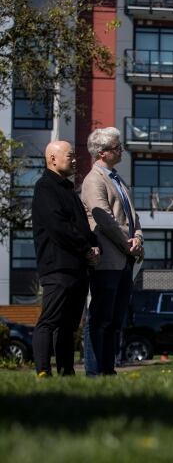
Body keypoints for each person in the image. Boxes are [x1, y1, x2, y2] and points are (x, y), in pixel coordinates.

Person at [31, 141, 100, 377]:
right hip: (58, 268)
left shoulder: (69, 190)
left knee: (68, 326)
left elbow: (82, 226)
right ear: (52, 159)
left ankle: (66, 372)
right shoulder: (45, 188)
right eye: (69, 155)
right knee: (49, 321)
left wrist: (94, 245)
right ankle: (42, 372)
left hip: (77, 269)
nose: (74, 160)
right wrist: (86, 249)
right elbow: (58, 227)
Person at [81, 127, 144, 376]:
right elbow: (104, 219)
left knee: (116, 320)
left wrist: (137, 237)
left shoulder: (118, 180)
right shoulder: (93, 180)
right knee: (100, 318)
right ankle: (95, 372)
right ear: (103, 152)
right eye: (118, 147)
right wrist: (127, 243)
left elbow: (133, 217)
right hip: (107, 260)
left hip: (125, 260)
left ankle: (108, 370)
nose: (122, 151)